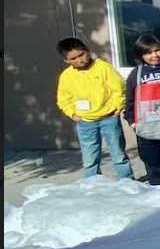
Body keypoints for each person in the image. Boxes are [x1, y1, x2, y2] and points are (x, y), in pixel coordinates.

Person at [55, 37, 133, 180]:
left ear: (87, 51)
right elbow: (63, 99)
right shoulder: (66, 76)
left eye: (81, 54)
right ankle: (92, 183)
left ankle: (127, 181)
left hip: (108, 118)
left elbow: (119, 89)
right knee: (90, 156)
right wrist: (73, 114)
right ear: (66, 61)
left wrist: (117, 108)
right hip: (85, 121)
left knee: (118, 152)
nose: (79, 59)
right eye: (73, 58)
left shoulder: (103, 67)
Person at [124, 35, 160, 185]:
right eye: (148, 53)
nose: (154, 55)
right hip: (146, 126)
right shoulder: (136, 74)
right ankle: (156, 187)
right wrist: (132, 122)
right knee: (152, 161)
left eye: (157, 50)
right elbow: (130, 100)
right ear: (141, 55)